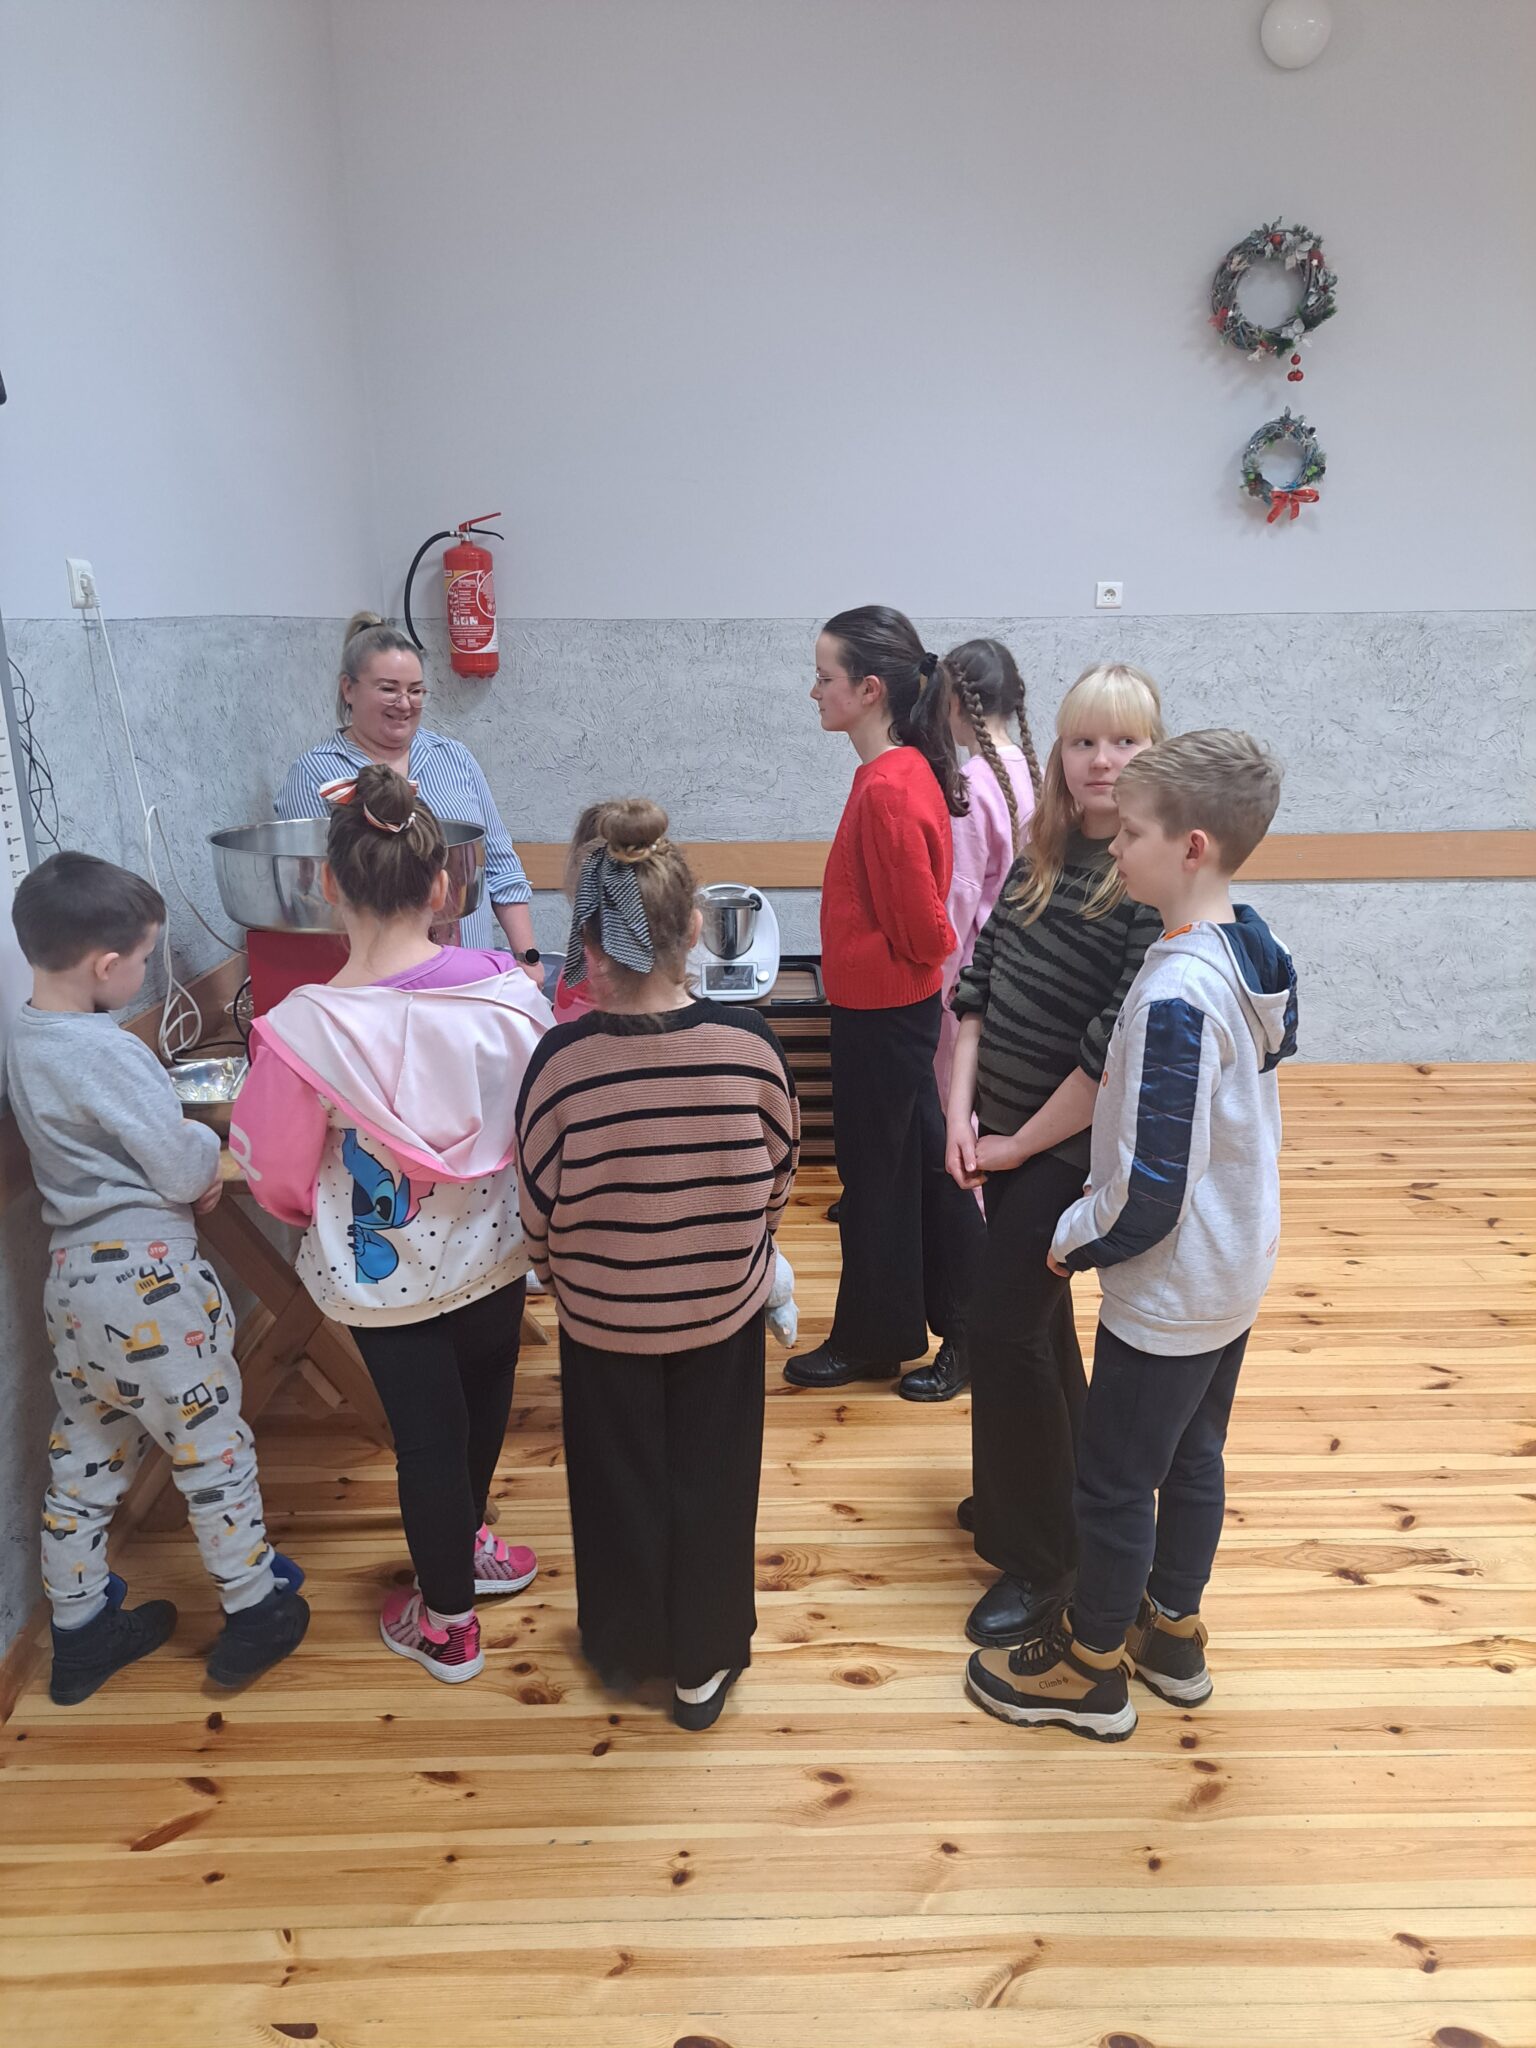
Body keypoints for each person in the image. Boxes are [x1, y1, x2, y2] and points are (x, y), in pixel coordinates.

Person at [966, 730, 1296, 1740]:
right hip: (1236, 1264)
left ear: (1192, 846)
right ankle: (1172, 1635)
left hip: (1172, 1284)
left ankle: (1092, 1665)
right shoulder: (1250, 944)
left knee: (1112, 1482)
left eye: (1135, 833)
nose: (1114, 846)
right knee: (1194, 1455)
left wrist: (1068, 1239)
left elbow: (1150, 1188)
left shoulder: (1173, 995)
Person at [233, 764, 550, 1684]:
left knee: (426, 1437)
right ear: (444, 888)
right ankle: (468, 1543)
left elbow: (278, 1173)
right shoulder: (507, 995)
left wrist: (305, 1211)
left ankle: (447, 1622)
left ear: (329, 886)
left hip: (385, 1275)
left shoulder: (303, 1029)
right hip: (494, 1249)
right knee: (484, 1402)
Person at [515, 800, 799, 1731]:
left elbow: (536, 1209)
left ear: (591, 943)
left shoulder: (561, 1064)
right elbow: (779, 1176)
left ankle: (625, 1642)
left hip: (604, 1322)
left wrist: (561, 1274)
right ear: (694, 930)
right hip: (721, 1314)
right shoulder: (752, 1049)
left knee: (616, 1485)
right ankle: (702, 1664)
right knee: (716, 1484)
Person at [7, 852, 308, 1704]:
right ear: (106, 965)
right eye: (142, 959)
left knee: (87, 1452)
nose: (144, 973)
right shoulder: (106, 1052)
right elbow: (178, 1163)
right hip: (150, 1286)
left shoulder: (26, 1037)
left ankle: (79, 1632)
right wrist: (206, 1157)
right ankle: (253, 1610)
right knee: (212, 1447)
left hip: (74, 1288)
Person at [946, 664, 1165, 1647]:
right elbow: (979, 982)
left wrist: (1012, 1146)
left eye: (1124, 742)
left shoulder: (1142, 882)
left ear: (1155, 755)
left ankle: (1043, 1560)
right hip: (999, 1137)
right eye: (1083, 741)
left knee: (1001, 1331)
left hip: (1064, 1149)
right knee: (1034, 1327)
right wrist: (959, 1113)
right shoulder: (1043, 850)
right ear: (1059, 753)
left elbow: (1103, 1055)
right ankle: (1044, 1492)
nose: (1101, 760)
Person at [784, 605, 986, 1405]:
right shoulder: (888, 776)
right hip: (884, 1011)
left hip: (887, 1016)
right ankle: (913, 1331)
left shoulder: (892, 788)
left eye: (824, 677)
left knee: (888, 1184)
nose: (814, 691)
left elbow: (927, 931)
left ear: (869, 690)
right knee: (908, 1177)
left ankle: (907, 1335)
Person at [276, 612, 542, 978]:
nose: (404, 704)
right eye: (388, 689)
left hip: (470, 982)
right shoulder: (314, 774)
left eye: (416, 691)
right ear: (348, 689)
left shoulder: (454, 758)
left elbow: (500, 866)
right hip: (373, 990)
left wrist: (527, 958)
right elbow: (311, 896)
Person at [936, 638, 1042, 1108]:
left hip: (972, 974)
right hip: (1023, 965)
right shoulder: (1038, 773)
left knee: (959, 1101)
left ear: (956, 702)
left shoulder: (970, 786)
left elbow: (960, 896)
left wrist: (936, 984)